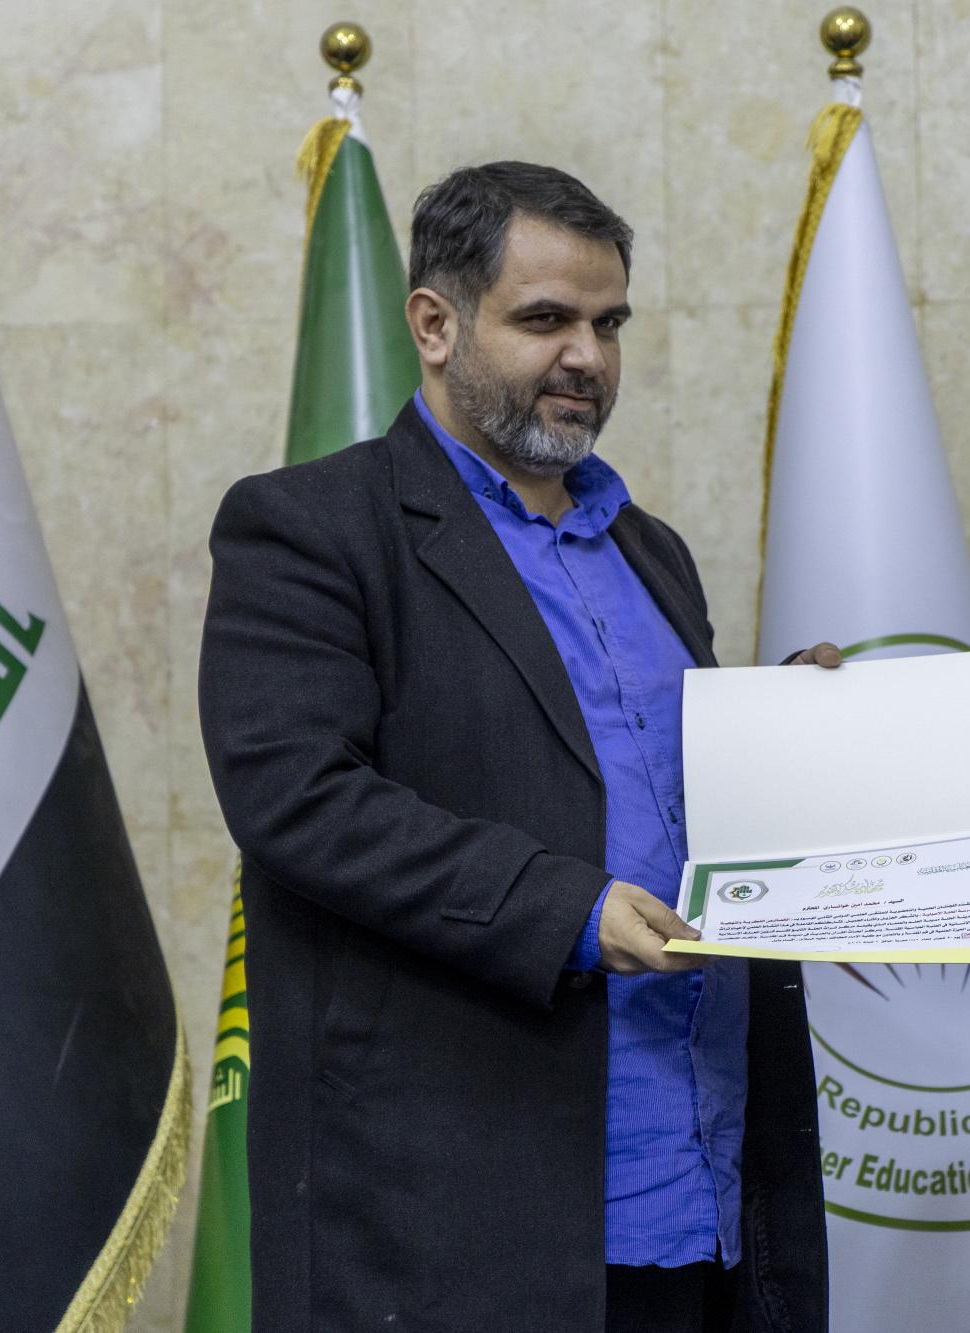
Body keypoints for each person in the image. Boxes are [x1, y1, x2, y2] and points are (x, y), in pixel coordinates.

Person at [199, 161, 831, 1332]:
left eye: (609, 323)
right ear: (433, 325)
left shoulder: (650, 550)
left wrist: (790, 734)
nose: (587, 356)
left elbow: (640, 790)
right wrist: (569, 910)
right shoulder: (312, 528)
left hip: (704, 1197)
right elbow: (299, 797)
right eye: (545, 320)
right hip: (464, 1226)